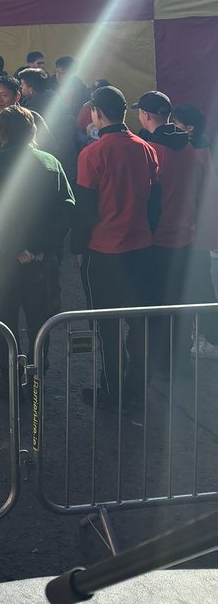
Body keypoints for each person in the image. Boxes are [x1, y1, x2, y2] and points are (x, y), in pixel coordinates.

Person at [72, 86, 160, 408]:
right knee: (139, 326)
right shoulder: (145, 148)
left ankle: (111, 390)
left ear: (96, 112)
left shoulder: (92, 154)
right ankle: (137, 388)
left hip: (104, 253)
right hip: (141, 249)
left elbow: (84, 209)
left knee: (106, 328)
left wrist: (78, 248)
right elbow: (156, 202)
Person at [0, 106, 74, 396]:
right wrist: (39, 248)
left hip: (5, 259)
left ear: (3, 134)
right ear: (33, 131)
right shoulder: (50, 162)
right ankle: (37, 376)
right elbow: (67, 209)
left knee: (4, 319)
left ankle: (8, 376)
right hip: (43, 261)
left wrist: (16, 248)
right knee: (40, 321)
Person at [135, 90, 213, 371]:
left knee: (155, 305)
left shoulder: (151, 150)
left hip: (157, 238)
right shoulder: (191, 149)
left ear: (145, 115)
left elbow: (146, 195)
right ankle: (177, 362)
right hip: (185, 236)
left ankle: (160, 363)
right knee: (178, 305)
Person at [170, 103, 218, 358]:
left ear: (188, 127)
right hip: (200, 230)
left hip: (196, 232)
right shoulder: (202, 147)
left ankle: (210, 339)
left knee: (201, 287)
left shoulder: (196, 152)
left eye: (175, 122)